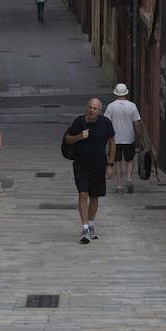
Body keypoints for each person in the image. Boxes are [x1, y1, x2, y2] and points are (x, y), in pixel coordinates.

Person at [63, 97, 115, 244]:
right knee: (83, 193)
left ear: (100, 110)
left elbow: (112, 142)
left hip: (99, 165)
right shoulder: (79, 122)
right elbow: (67, 139)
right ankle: (85, 227)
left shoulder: (106, 123)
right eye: (90, 107)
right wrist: (79, 136)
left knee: (94, 196)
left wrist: (110, 164)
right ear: (87, 108)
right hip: (81, 165)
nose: (92, 110)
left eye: (95, 108)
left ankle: (91, 224)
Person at [105, 83, 144, 194]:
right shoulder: (132, 106)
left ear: (116, 93)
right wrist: (140, 137)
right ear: (126, 92)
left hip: (115, 140)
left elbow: (106, 123)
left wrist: (106, 138)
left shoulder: (111, 106)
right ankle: (129, 179)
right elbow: (137, 124)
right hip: (129, 138)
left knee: (117, 162)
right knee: (130, 160)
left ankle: (119, 185)